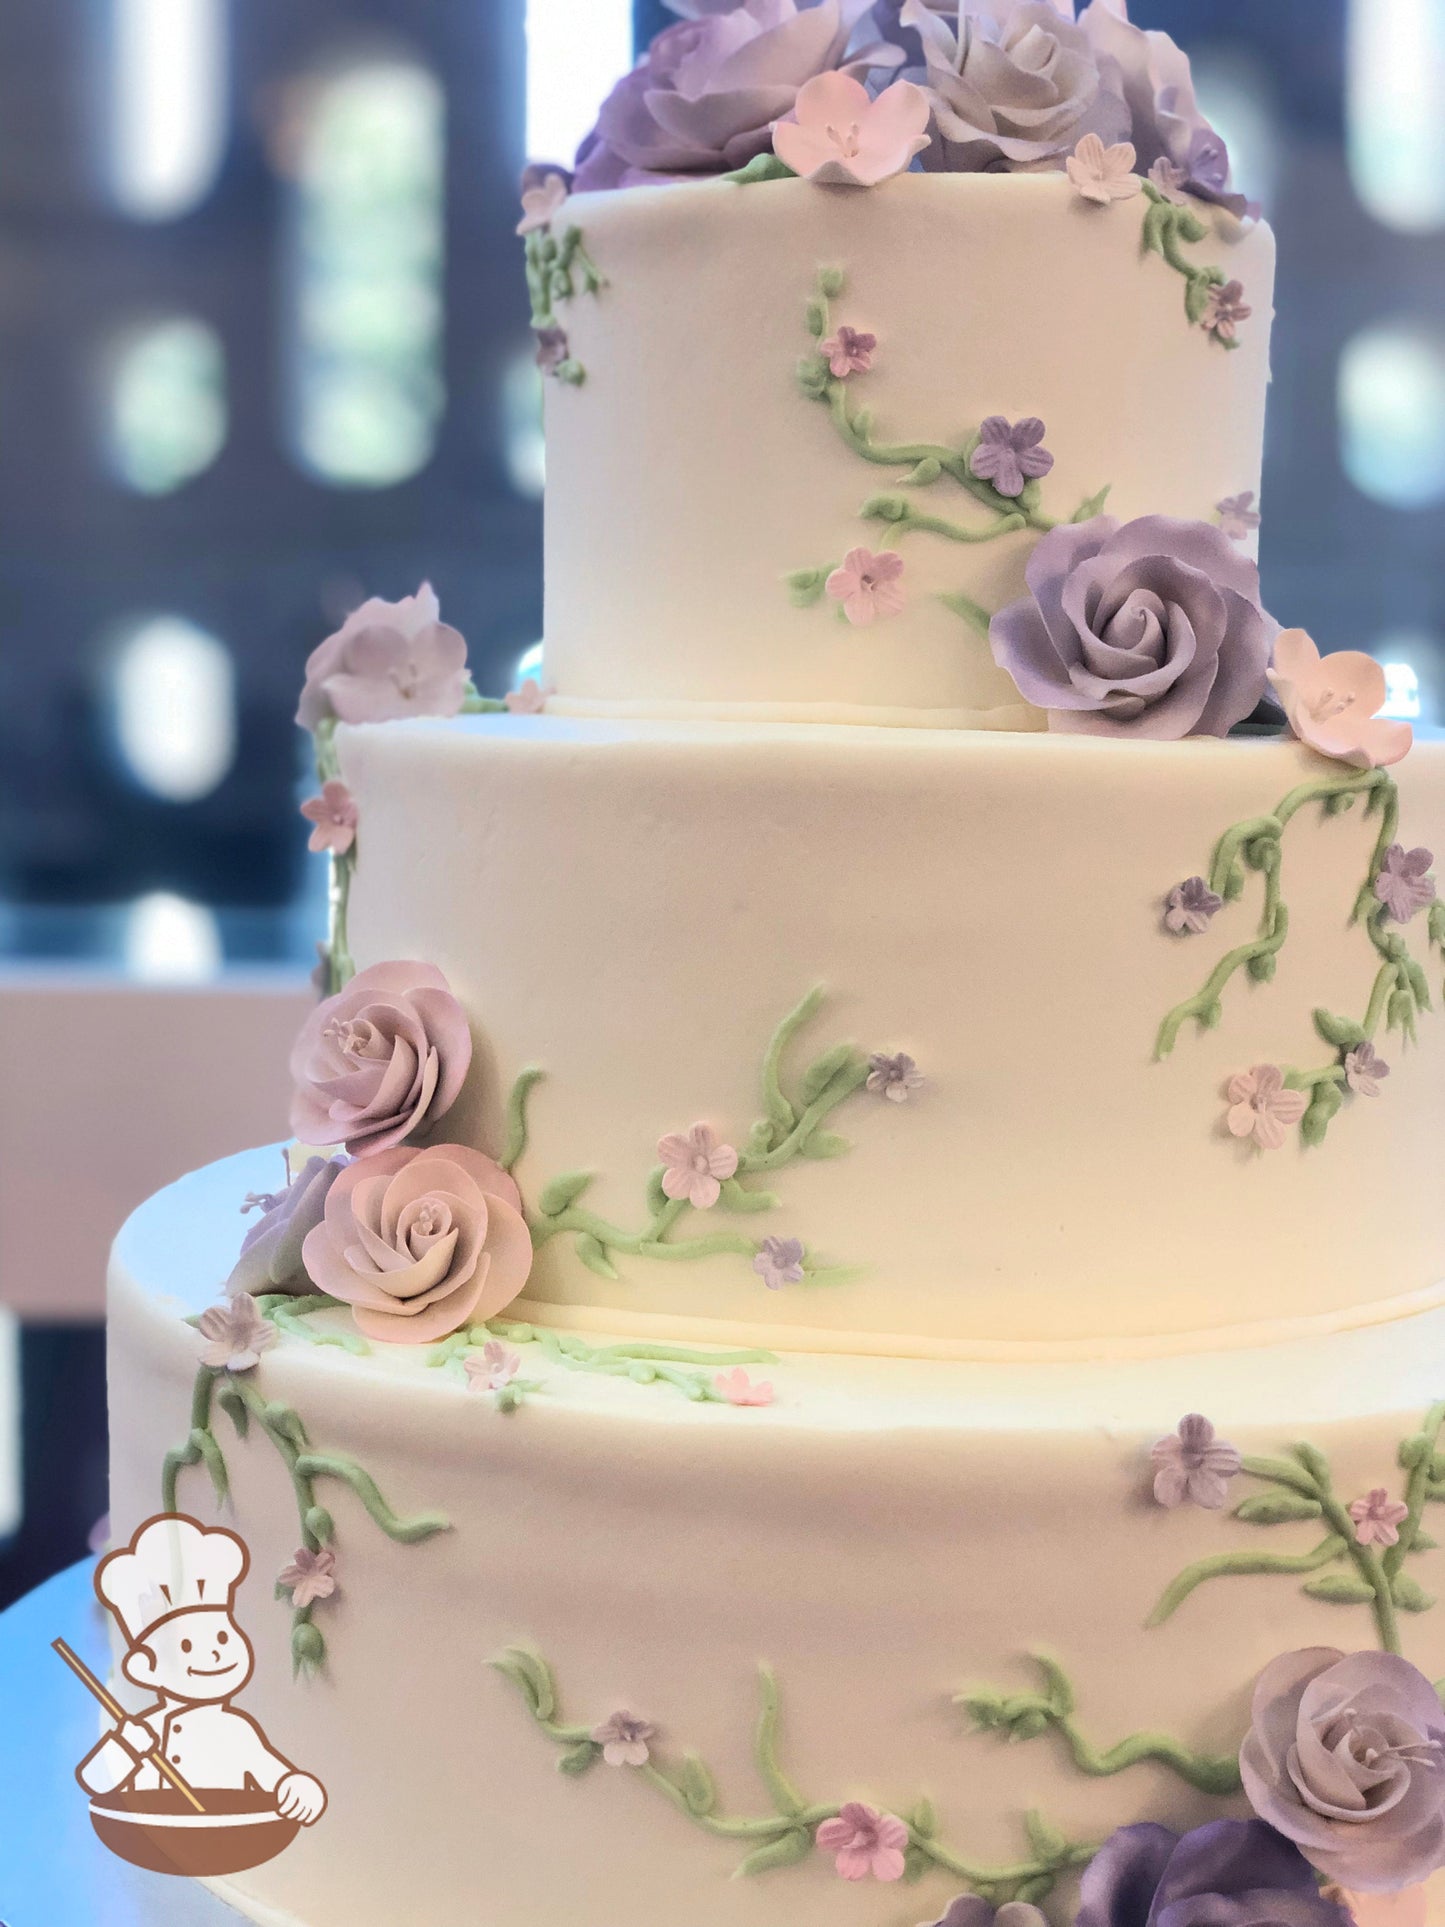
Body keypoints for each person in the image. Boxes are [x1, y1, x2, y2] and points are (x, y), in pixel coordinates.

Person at [76, 1513, 326, 1825]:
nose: (213, 1654)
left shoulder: (238, 1731)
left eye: (222, 1636)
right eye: (185, 1646)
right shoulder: (147, 1729)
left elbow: (277, 1778)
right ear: (145, 1668)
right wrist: (128, 1747)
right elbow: (97, 1781)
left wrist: (298, 1788)